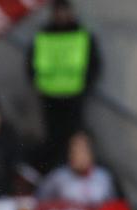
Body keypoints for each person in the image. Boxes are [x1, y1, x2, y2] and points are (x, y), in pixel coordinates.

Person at [27, 0, 101, 171]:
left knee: (73, 137)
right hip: (49, 95)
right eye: (58, 12)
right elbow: (31, 64)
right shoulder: (43, 35)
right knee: (53, 138)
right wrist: (37, 83)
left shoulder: (82, 35)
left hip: (74, 96)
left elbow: (94, 64)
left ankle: (72, 168)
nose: (61, 16)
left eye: (64, 11)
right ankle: (53, 169)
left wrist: (85, 86)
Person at [37, 131, 114, 204]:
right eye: (74, 151)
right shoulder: (57, 178)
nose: (78, 155)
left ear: (91, 152)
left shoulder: (104, 178)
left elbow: (113, 208)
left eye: (82, 150)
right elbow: (39, 202)